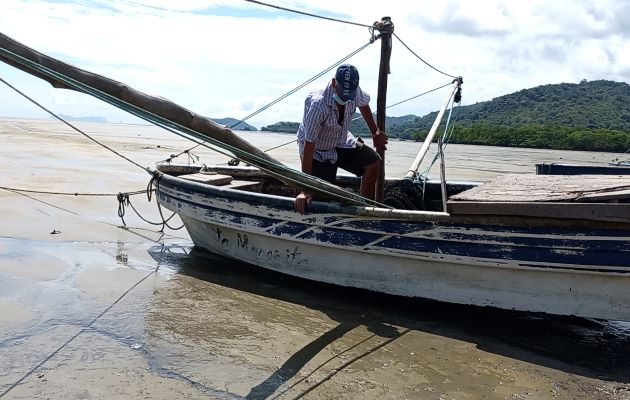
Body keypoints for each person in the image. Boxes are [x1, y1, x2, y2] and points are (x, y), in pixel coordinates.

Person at [294, 64, 388, 214]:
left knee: (373, 161)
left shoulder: (355, 92)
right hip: (319, 150)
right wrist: (305, 189)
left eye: (348, 95)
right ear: (333, 83)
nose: (344, 99)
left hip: (341, 140)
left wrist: (375, 133)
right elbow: (308, 146)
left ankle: (362, 210)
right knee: (321, 197)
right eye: (342, 94)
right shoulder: (318, 105)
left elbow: (364, 105)